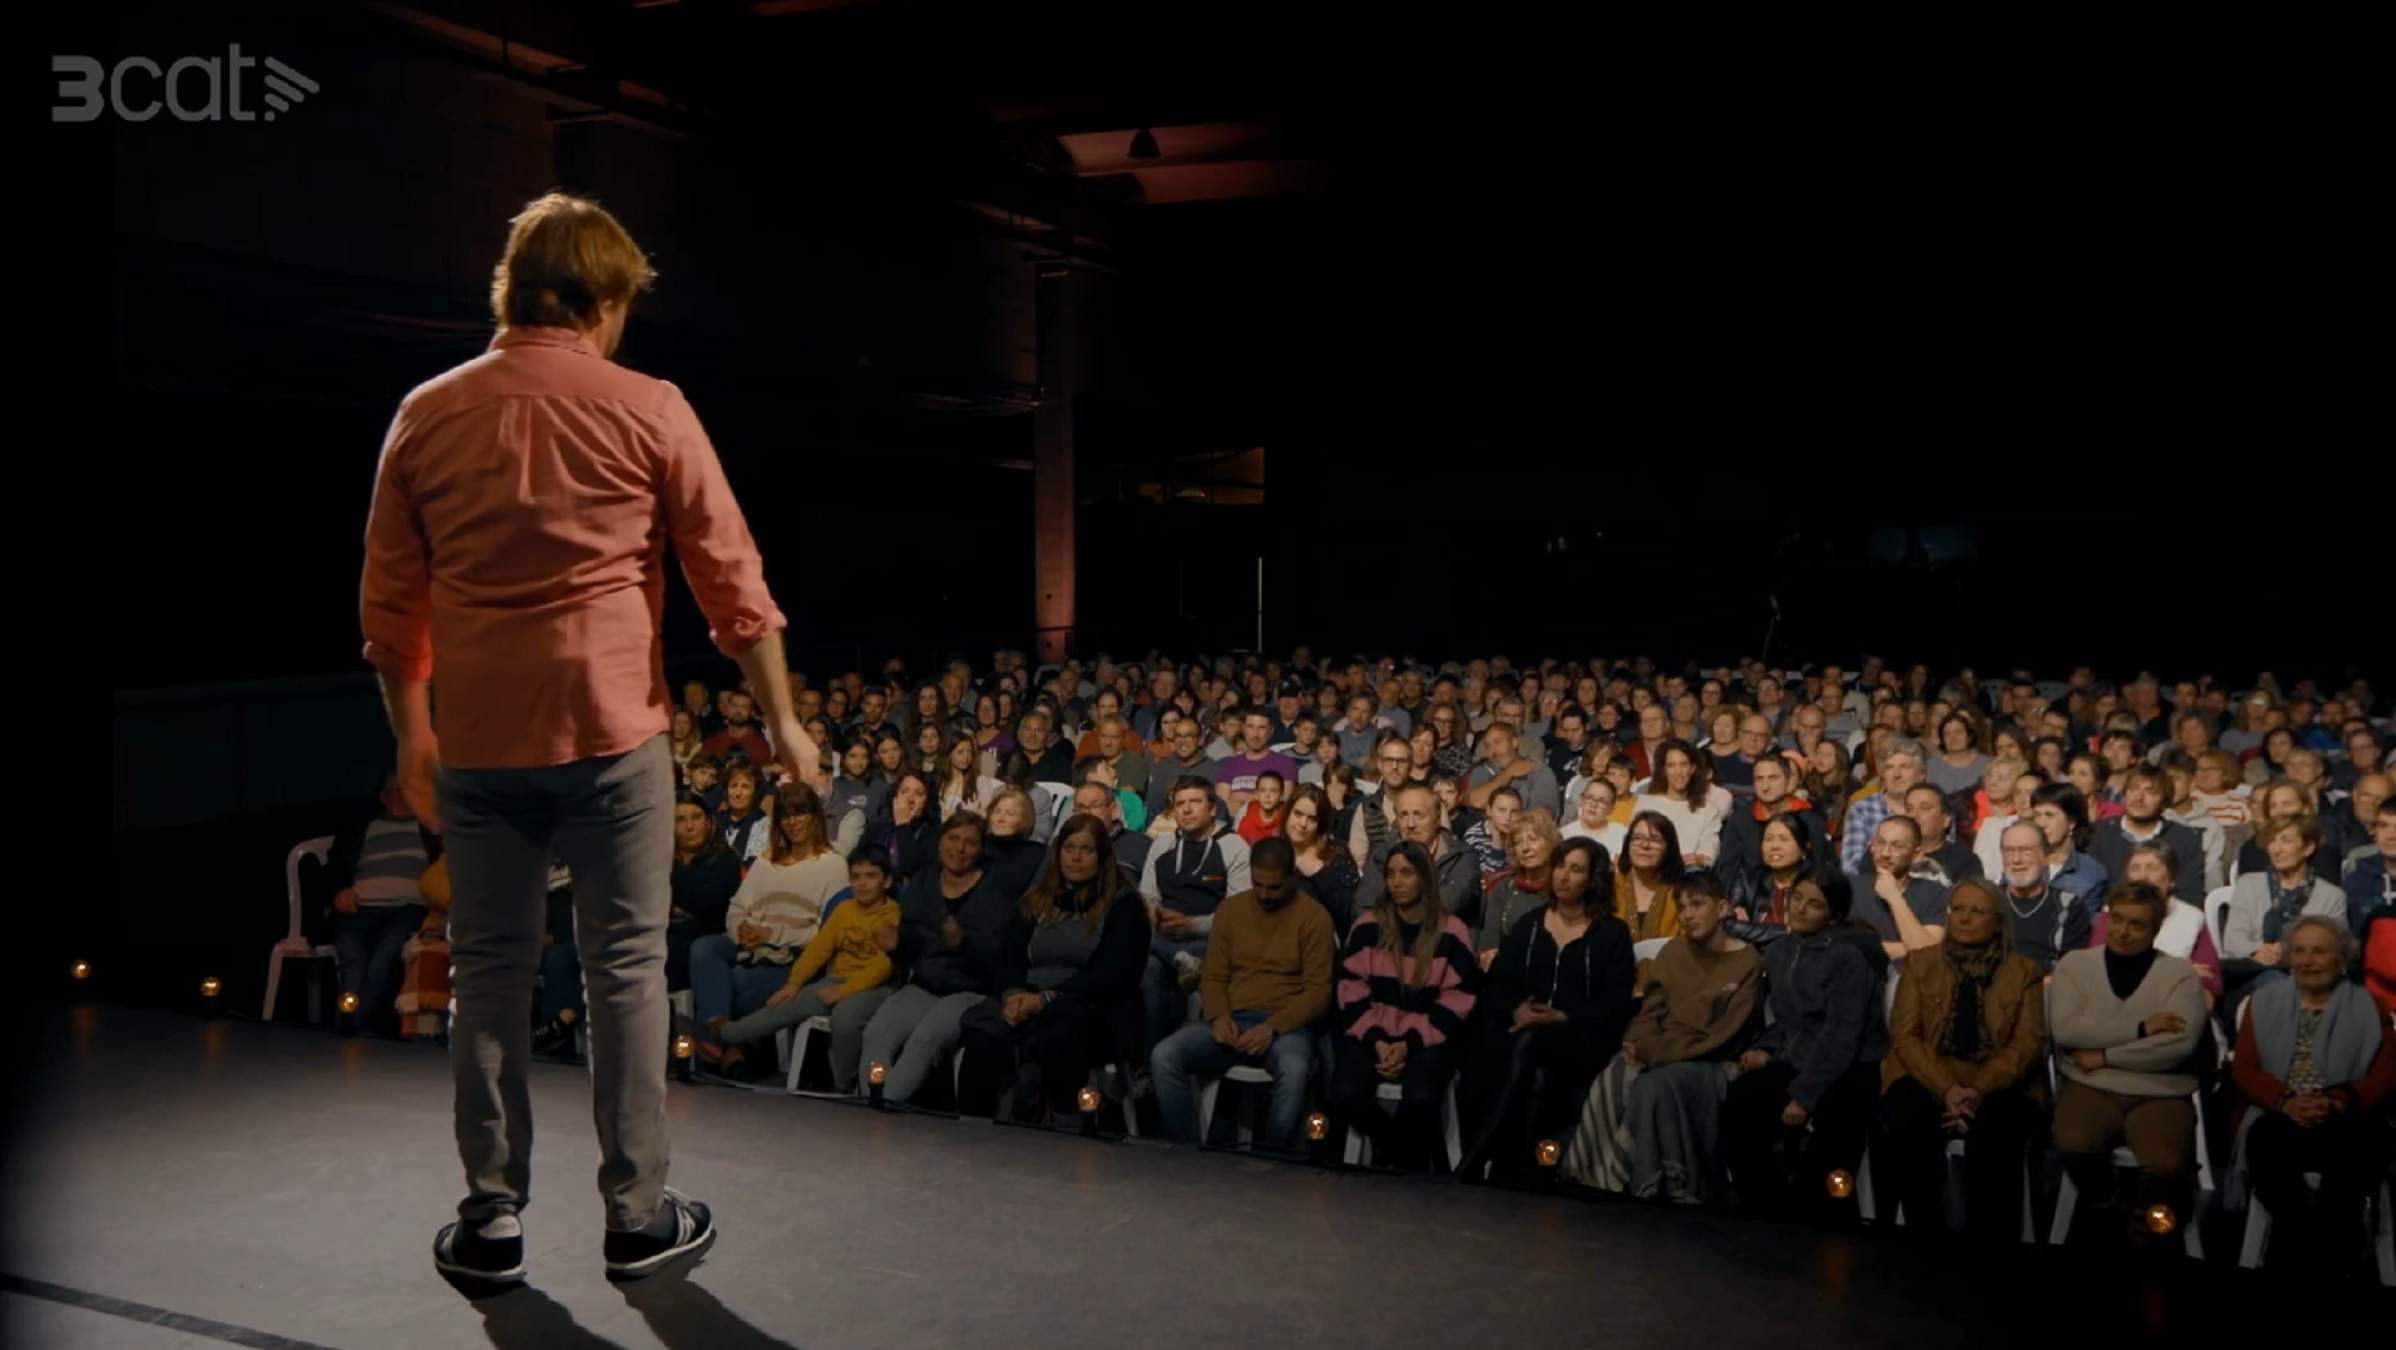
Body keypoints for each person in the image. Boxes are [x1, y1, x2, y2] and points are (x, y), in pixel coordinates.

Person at [362, 194, 820, 1283]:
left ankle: (490, 1218)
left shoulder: (426, 411)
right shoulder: (651, 406)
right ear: (604, 300)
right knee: (623, 971)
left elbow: (391, 610)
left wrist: (411, 741)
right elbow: (733, 584)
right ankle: (636, 1215)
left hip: (477, 742)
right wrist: (783, 723)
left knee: (488, 971)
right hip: (615, 735)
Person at [1562, 872, 1764, 1201]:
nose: (1688, 914)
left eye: (1697, 905)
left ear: (1722, 907)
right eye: (1681, 907)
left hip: (1708, 1061)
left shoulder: (1747, 960)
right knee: (1615, 1075)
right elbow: (1650, 1011)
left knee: (1654, 1085)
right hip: (1660, 1050)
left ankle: (1643, 1183)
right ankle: (1592, 1178)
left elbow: (1725, 1035)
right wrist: (1640, 1044)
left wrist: (1656, 1053)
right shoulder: (1673, 951)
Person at [1870, 878, 2048, 1242]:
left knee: (1996, 1131)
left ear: (1998, 921)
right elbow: (1905, 1036)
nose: (1964, 919)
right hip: (1927, 1075)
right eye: (1958, 910)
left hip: (1998, 1082)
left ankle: (1987, 1248)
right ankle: (1926, 1241)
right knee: (1907, 1121)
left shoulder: (2024, 972)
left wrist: (1976, 1090)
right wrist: (1948, 1089)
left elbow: (2026, 1044)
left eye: (1976, 911)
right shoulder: (1919, 964)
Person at [1458, 837, 1638, 1181]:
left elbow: (1615, 1005)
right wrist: (1516, 1012)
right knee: (1520, 1056)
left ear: (1593, 879)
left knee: (1532, 1046)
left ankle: (1479, 1157)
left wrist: (1564, 1017)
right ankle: (1514, 1170)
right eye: (1560, 866)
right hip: (1524, 1032)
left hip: (1581, 1038)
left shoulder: (1611, 934)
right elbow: (1498, 985)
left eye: (1576, 869)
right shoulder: (1530, 924)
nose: (1563, 876)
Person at [2226, 915, 2396, 1271]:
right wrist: (2286, 1102)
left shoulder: (2370, 1007)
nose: (2307, 960)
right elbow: (2245, 1069)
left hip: (2346, 1114)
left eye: (2319, 951)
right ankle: (2303, 1239)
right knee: (2267, 1146)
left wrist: (2339, 1100)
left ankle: (2329, 1250)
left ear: (2341, 958)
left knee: (2357, 1153)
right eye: (2299, 951)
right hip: (2280, 1113)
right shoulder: (2263, 1003)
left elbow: (2386, 1074)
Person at [956, 816, 1150, 1121]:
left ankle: (1062, 1124)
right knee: (984, 1033)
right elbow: (1010, 958)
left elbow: (1112, 973)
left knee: (1061, 1028)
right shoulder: (1036, 901)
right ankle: (972, 1131)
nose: (1075, 857)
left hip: (1093, 1005)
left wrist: (1046, 999)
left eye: (1085, 850)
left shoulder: (1124, 906)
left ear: (1101, 857)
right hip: (1028, 998)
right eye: (1069, 848)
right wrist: (1013, 994)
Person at [1721, 872, 1889, 1220]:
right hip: (1799, 1055)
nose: (1800, 909)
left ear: (1834, 915)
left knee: (1832, 1128)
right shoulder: (1781, 949)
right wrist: (1767, 1048)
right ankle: (1765, 1204)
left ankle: (1816, 1216)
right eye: (1797, 898)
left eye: (1815, 904)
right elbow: (1787, 1019)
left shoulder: (1849, 955)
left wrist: (1804, 1095)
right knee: (1741, 1099)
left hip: (1850, 1065)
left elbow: (1843, 1032)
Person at [2048, 883, 2208, 1247]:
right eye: (2117, 919)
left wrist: (2106, 1055)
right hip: (2090, 1085)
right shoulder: (2076, 965)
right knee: (2073, 1142)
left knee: (2166, 1161)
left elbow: (2177, 1047)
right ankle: (2111, 1205)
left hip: (2160, 1092)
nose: (2122, 931)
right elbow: (2068, 1030)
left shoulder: (2179, 975)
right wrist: (2141, 1028)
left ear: (2155, 930)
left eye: (2136, 924)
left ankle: (2154, 1230)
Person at [1151, 837, 1335, 1149]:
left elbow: (1319, 993)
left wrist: (1273, 1027)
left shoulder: (1314, 918)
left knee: (1295, 1068)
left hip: (1285, 1026)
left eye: (1274, 887)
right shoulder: (1232, 910)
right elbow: (1213, 976)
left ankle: (1275, 1160)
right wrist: (1218, 1015)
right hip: (1233, 1018)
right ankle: (1188, 1153)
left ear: (1292, 877)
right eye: (1258, 884)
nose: (1264, 894)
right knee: (1164, 1056)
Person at [1327, 842, 1482, 1171]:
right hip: (1374, 1034)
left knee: (1423, 1097)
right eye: (1391, 874)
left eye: (1407, 873)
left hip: (1427, 1039)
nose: (1397, 882)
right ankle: (1388, 1140)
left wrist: (1408, 1044)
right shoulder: (1368, 926)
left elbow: (1458, 1001)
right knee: (1344, 1094)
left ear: (1425, 878)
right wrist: (1378, 1041)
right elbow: (1351, 991)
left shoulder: (1452, 932)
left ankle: (1402, 1157)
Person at [689, 787, 847, 1079]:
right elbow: (737, 906)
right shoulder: (766, 860)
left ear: (815, 817)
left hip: (791, 957)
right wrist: (742, 929)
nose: (793, 821)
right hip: (747, 945)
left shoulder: (833, 864)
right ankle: (728, 1048)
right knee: (703, 948)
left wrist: (772, 934)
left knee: (728, 985)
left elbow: (828, 932)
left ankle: (718, 1046)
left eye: (800, 813)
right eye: (786, 815)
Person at [715, 848, 901, 1092]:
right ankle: (721, 1036)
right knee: (782, 1006)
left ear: (886, 881)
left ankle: (844, 1087)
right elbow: (818, 949)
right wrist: (794, 983)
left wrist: (843, 992)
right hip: (835, 981)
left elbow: (883, 967)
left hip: (874, 988)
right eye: (856, 877)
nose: (862, 884)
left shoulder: (892, 914)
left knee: (845, 1018)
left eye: (871, 876)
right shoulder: (845, 910)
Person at [1135, 776, 1255, 1059]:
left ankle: (1166, 1058)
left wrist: (1192, 925)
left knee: (1153, 962)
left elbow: (1238, 916)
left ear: (1212, 809)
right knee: (1144, 956)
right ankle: (1152, 1062)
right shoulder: (1161, 845)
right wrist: (1153, 912)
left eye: (1194, 802)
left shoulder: (1234, 847)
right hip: (1162, 935)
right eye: (1180, 804)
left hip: (1211, 940)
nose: (1186, 810)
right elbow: (1148, 895)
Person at [327, 772, 443, 1038]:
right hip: (361, 906)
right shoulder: (361, 828)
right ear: (383, 796)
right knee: (352, 955)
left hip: (409, 907)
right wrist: (338, 891)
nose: (405, 795)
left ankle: (353, 1027)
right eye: (398, 789)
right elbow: (333, 867)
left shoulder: (429, 829)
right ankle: (354, 1026)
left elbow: (445, 869)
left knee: (386, 955)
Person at [2220, 813, 2351, 1021]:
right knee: (2273, 980)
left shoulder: (2332, 897)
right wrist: (2259, 950)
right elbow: (2233, 942)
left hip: (2312, 981)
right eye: (2272, 841)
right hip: (2253, 976)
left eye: (2286, 841)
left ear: (2307, 848)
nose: (2276, 849)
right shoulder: (2249, 884)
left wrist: (2289, 952)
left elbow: (2335, 952)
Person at [2092, 843, 2225, 1001]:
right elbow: (2097, 969)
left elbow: (2211, 978)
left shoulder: (2192, 917)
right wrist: (2178, 972)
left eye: (2152, 868)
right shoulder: (2112, 915)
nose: (2143, 876)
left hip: (2177, 998)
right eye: (2135, 868)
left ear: (2171, 879)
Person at [2086, 764, 2205, 906]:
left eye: (2151, 792)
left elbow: (2190, 896)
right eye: (2133, 789)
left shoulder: (2185, 839)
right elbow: (2089, 890)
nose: (2139, 798)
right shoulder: (2099, 833)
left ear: (2164, 800)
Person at [665, 793, 743, 995]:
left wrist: (667, 901)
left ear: (708, 823)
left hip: (708, 939)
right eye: (680, 820)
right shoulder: (659, 863)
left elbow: (707, 903)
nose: (690, 826)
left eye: (697, 817)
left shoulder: (726, 859)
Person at [1993, 819, 2094, 971]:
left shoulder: (2070, 907)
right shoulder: (1987, 902)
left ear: (2046, 856)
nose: (2016, 860)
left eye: (2025, 850)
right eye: (2008, 851)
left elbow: (2072, 972)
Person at [1837, 736, 1927, 875]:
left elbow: (1944, 858)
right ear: (1883, 775)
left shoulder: (1934, 810)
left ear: (1921, 774)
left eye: (1904, 767)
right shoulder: (1862, 809)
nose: (1896, 774)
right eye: (1890, 767)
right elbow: (1850, 866)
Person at [1635, 739, 1731, 867]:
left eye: (1683, 764)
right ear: (1664, 770)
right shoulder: (1645, 804)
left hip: (1688, 876)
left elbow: (1709, 851)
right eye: (1671, 766)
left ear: (1692, 769)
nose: (1678, 772)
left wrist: (1700, 860)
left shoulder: (1708, 811)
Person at [1284, 783, 1362, 935]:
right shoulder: (1274, 850)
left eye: (1312, 819)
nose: (1302, 824)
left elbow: (1348, 914)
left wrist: (1319, 872)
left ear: (1321, 825)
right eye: (1298, 814)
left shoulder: (1336, 854)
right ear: (1287, 813)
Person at [1234, 769, 1291, 844]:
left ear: (1281, 795)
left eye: (1273, 791)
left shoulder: (1288, 818)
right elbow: (1239, 849)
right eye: (1262, 790)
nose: (1267, 795)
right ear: (1256, 794)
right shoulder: (1246, 819)